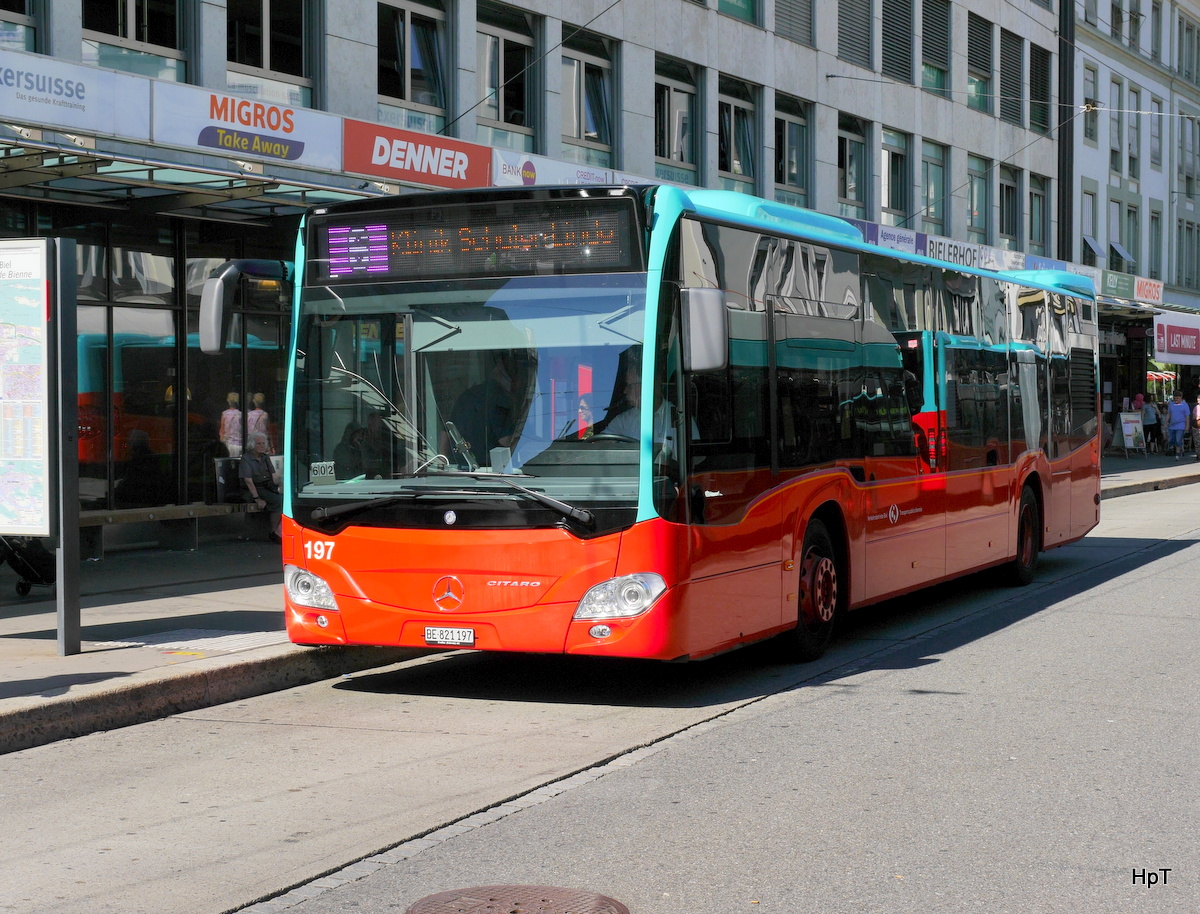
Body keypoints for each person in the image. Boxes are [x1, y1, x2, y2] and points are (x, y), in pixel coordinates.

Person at [446, 353, 518, 467]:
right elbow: (505, 441)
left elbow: (446, 432)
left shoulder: (468, 395)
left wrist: (443, 463)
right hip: (489, 469)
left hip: (459, 467)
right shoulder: (501, 399)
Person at [240, 432, 282, 541]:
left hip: (266, 487)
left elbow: (274, 476)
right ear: (252, 445)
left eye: (263, 443)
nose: (262, 446)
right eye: (259, 444)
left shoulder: (265, 457)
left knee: (285, 498)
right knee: (278, 500)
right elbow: (248, 481)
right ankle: (274, 532)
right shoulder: (246, 458)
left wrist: (282, 484)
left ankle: (280, 530)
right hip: (252, 489)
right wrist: (257, 498)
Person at [1165, 390, 1191, 460]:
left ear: (1181, 397)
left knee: (1178, 439)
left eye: (1177, 398)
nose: (1176, 400)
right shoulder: (1171, 404)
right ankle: (1176, 447)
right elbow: (1168, 414)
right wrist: (1165, 423)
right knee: (1170, 439)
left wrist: (1187, 426)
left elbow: (1187, 416)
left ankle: (1177, 454)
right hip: (1172, 425)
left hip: (1181, 425)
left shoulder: (1185, 405)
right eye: (1174, 398)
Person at [219, 392, 243, 458]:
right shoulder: (240, 414)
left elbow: (222, 430)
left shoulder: (225, 413)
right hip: (239, 444)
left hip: (228, 443)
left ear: (228, 401)